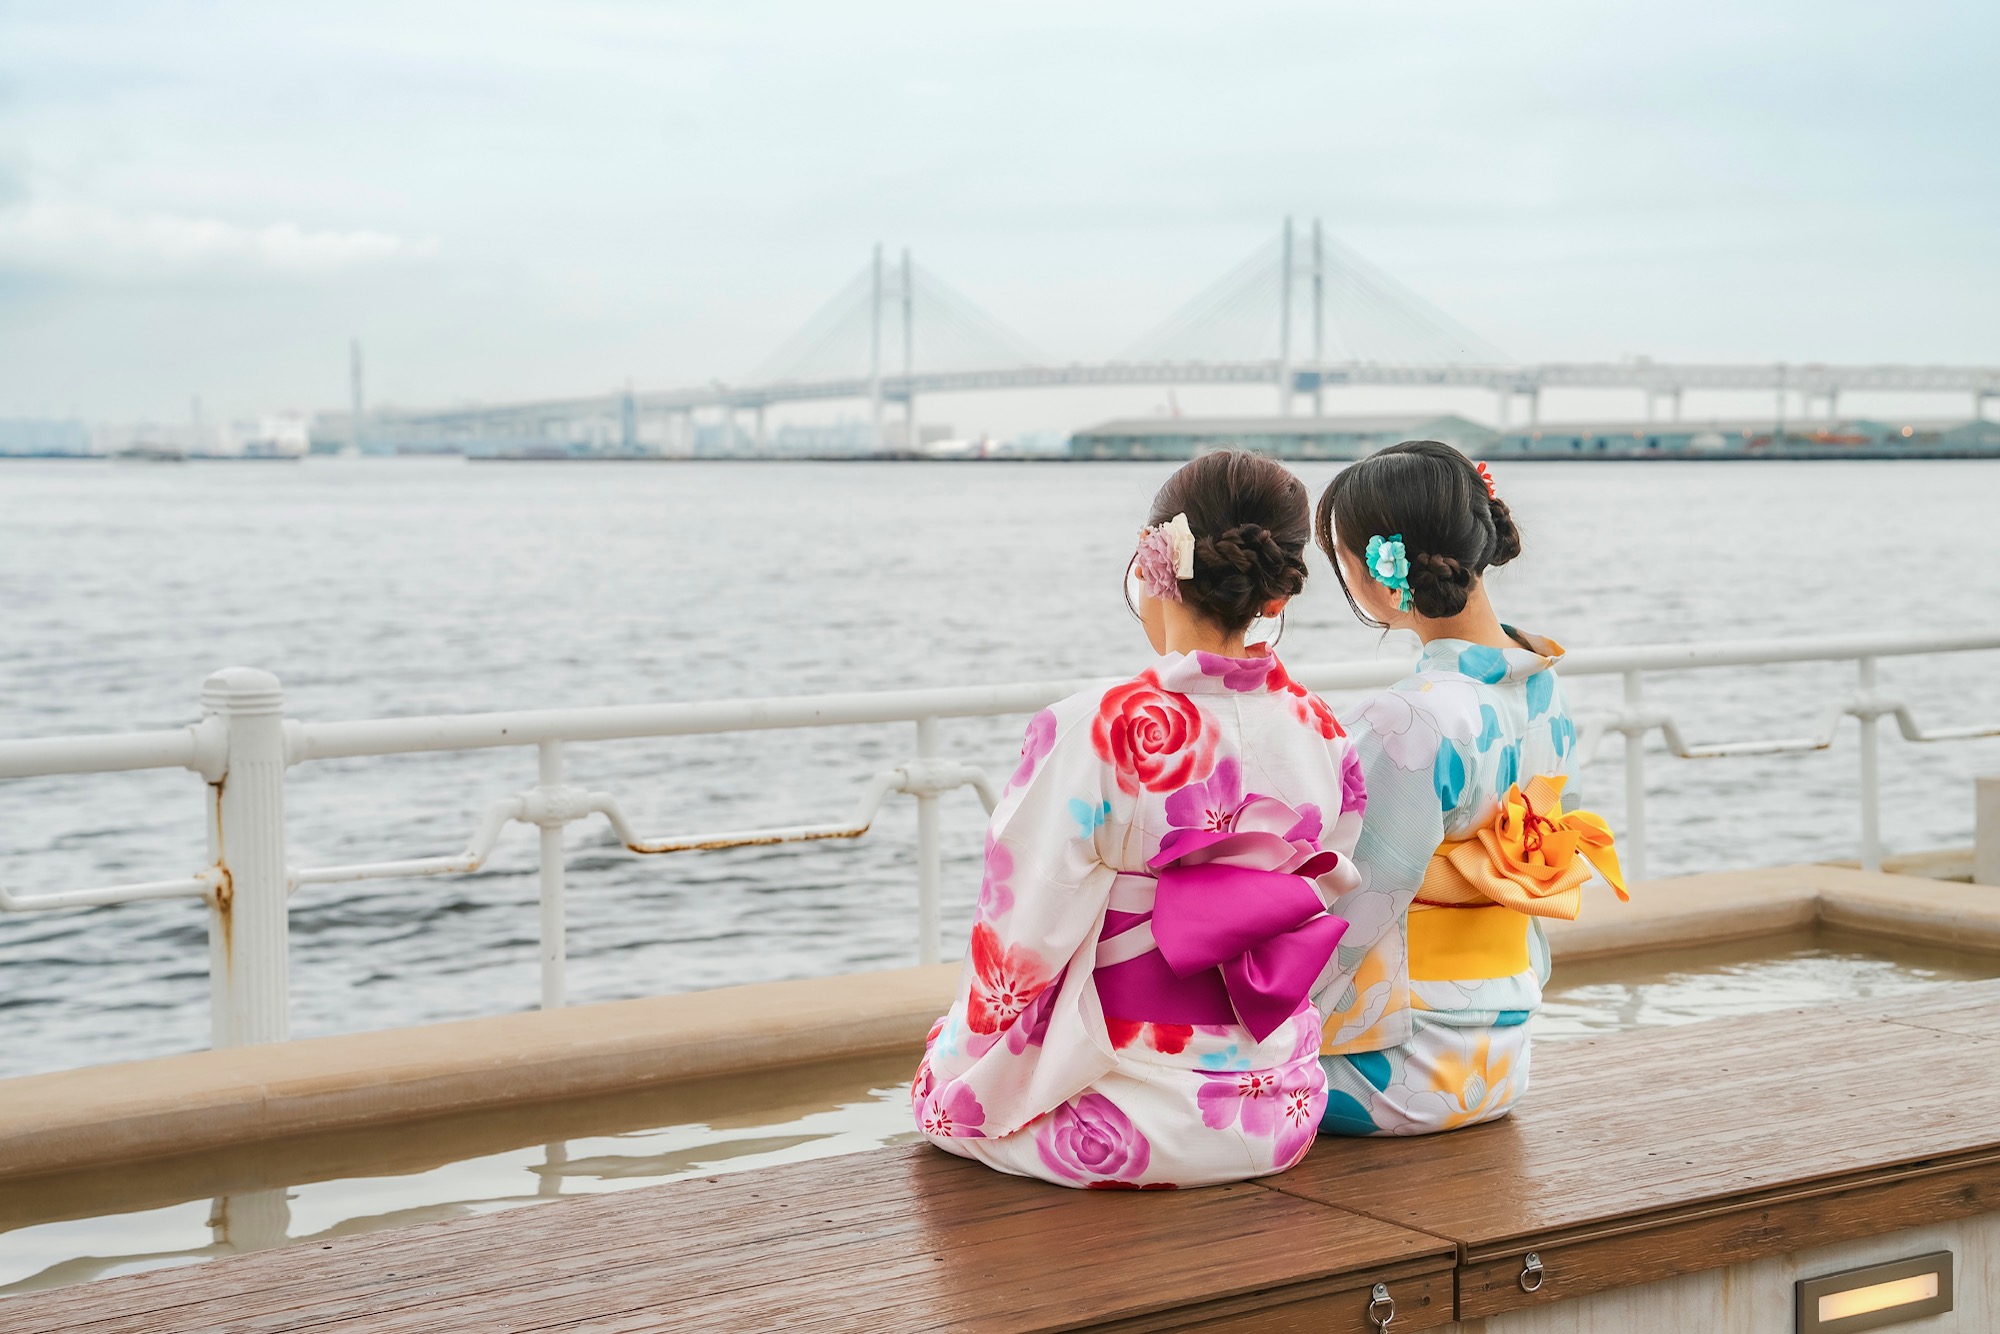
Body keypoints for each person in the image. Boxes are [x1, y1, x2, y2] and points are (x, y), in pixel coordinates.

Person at [912, 450, 1365, 1188]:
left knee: (943, 1097)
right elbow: (1325, 892)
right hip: (1279, 1111)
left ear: (1153, 567)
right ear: (1275, 598)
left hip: (1133, 1117)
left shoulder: (1095, 725)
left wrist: (961, 1066)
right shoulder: (1325, 733)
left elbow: (1022, 935)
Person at [1310, 441, 1624, 1136]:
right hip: (1497, 1061)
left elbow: (1353, 901)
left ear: (1374, 571)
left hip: (1391, 1068)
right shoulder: (1545, 690)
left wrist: (1265, 1016)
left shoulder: (1411, 716)